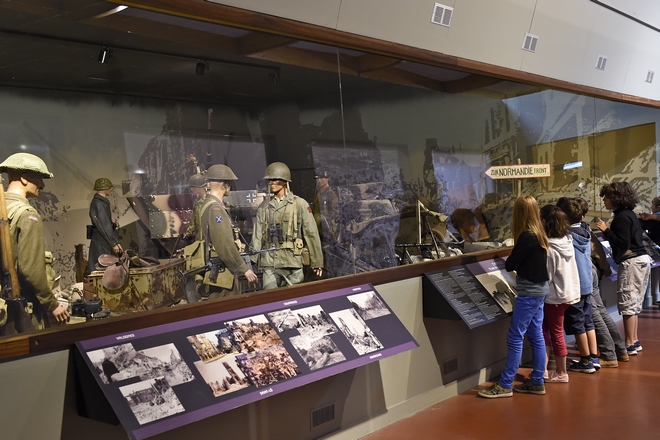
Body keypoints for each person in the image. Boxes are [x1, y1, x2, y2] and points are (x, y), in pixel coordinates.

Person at [478, 195, 548, 398]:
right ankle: (536, 381)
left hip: (529, 293)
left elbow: (510, 264)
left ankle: (505, 383)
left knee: (515, 337)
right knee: (536, 335)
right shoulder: (539, 233)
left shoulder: (526, 236)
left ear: (519, 213)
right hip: (540, 290)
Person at [0, 152, 70, 328]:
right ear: (24, 178)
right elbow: (30, 271)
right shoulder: (27, 214)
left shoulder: (4, 209)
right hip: (21, 309)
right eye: (39, 177)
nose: (42, 184)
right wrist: (52, 304)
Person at [596, 182, 652, 355]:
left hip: (632, 262)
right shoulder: (630, 214)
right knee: (634, 303)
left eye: (606, 197)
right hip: (642, 260)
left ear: (615, 198)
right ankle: (634, 340)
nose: (604, 200)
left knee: (628, 302)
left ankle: (628, 342)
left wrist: (606, 231)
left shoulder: (621, 218)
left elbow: (622, 243)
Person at [252, 162, 323, 290]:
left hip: (292, 261)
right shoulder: (264, 207)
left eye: (275, 179)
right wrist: (252, 261)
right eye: (269, 180)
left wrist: (317, 261)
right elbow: (257, 236)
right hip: (270, 262)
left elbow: (311, 233)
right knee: (270, 300)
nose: (271, 183)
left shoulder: (300, 204)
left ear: (285, 181)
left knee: (294, 299)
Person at [576, 197, 628, 367]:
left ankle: (608, 353)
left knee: (594, 314)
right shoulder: (586, 231)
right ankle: (620, 348)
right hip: (592, 273)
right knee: (600, 311)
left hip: (585, 274)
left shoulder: (573, 234)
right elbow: (597, 252)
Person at [197, 164, 257, 299]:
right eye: (229, 183)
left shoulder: (204, 205)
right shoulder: (215, 209)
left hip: (216, 269)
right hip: (222, 273)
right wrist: (243, 268)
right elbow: (224, 244)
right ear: (224, 185)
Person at [557, 198, 598, 373]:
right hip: (587, 283)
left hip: (575, 285)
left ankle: (586, 360)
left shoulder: (567, 238)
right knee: (588, 321)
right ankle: (594, 356)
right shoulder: (585, 232)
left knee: (577, 323)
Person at [540, 204, 580, 383]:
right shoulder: (568, 241)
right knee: (552, 331)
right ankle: (546, 370)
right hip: (568, 293)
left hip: (554, 296)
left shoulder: (549, 249)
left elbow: (547, 276)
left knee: (553, 333)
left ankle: (561, 372)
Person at [87, 178, 122, 274]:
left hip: (104, 240)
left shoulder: (101, 202)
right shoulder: (98, 203)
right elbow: (104, 225)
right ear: (105, 188)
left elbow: (107, 225)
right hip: (102, 241)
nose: (110, 189)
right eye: (109, 187)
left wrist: (116, 242)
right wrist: (113, 243)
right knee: (102, 269)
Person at [313, 169, 339, 245]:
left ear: (327, 179)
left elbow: (335, 212)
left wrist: (324, 217)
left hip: (328, 228)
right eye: (317, 178)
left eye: (321, 178)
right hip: (318, 225)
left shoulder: (331, 194)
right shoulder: (318, 193)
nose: (319, 180)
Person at [184, 173, 208, 240]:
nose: (191, 189)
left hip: (209, 237)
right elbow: (193, 221)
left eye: (193, 187)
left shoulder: (209, 201)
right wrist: (188, 233)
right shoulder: (197, 202)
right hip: (200, 237)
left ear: (199, 187)